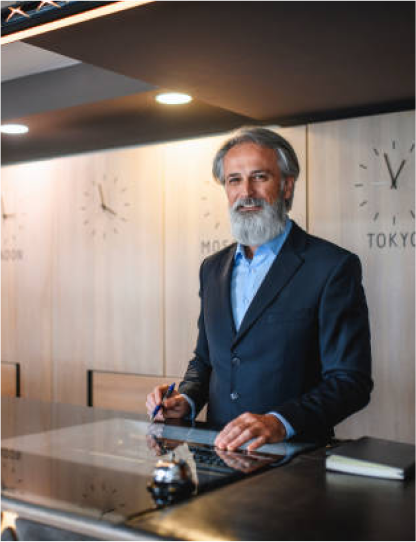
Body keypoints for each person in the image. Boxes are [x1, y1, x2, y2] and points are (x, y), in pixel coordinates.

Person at [146, 127, 373, 451]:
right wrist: (186, 398)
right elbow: (206, 360)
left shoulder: (332, 267)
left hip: (294, 463)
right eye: (234, 180)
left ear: (287, 185)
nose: (246, 191)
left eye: (259, 177)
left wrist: (280, 421)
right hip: (217, 458)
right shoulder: (212, 269)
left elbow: (351, 381)